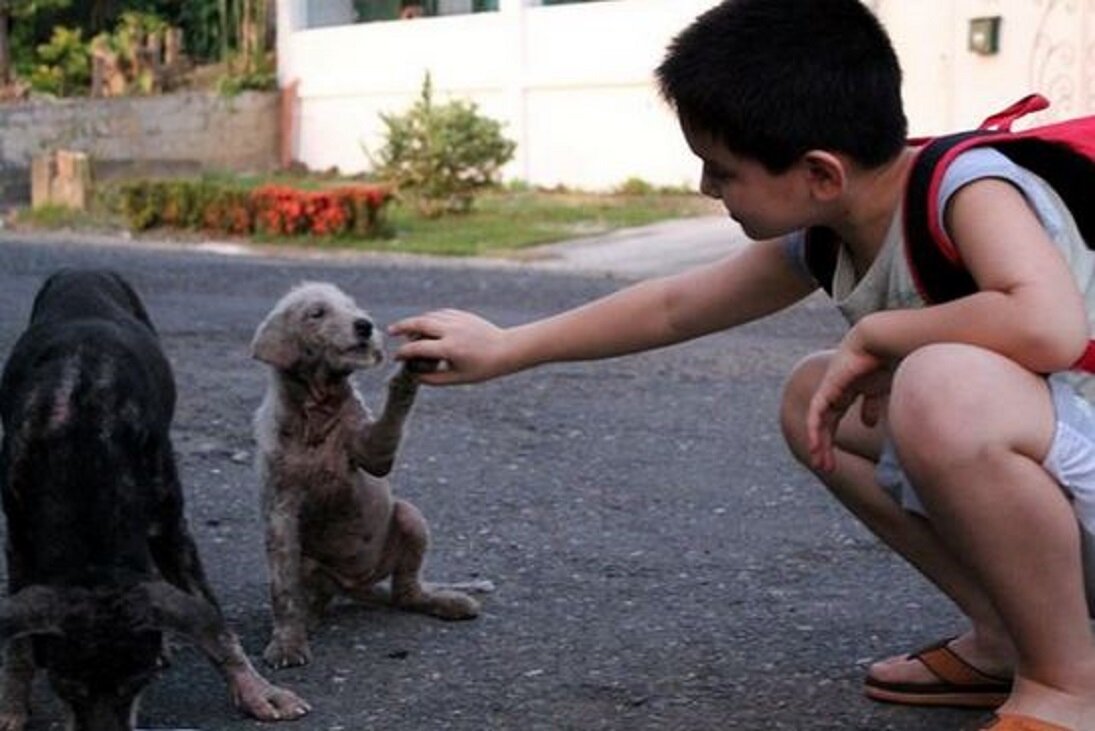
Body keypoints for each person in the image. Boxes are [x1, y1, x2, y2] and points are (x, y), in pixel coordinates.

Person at [389, 1, 1095, 729]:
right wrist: (507, 345)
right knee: (811, 393)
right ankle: (1008, 636)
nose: (706, 188)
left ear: (820, 173)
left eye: (721, 171)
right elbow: (674, 305)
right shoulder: (831, 225)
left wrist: (883, 334)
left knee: (937, 385)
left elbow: (1047, 326)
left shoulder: (966, 189)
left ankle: (1066, 684)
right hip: (1063, 481)